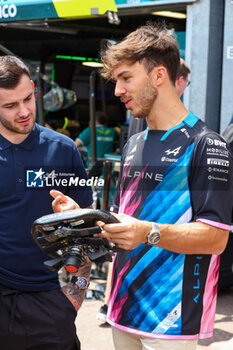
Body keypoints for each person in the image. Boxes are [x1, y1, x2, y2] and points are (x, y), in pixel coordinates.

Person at [53, 23, 233, 350]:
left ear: (159, 75)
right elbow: (126, 223)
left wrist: (148, 232)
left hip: (171, 317)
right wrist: (82, 215)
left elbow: (216, 238)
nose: (117, 90)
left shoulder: (207, 144)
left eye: (126, 78)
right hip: (123, 306)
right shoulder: (134, 143)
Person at [0, 56, 93, 350]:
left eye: (28, 98)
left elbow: (89, 233)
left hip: (51, 303)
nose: (25, 111)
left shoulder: (62, 150)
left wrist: (73, 297)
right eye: (10, 106)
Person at [127, 57, 191, 139]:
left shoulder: (144, 102)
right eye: (187, 83)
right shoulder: (162, 107)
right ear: (181, 80)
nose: (185, 87)